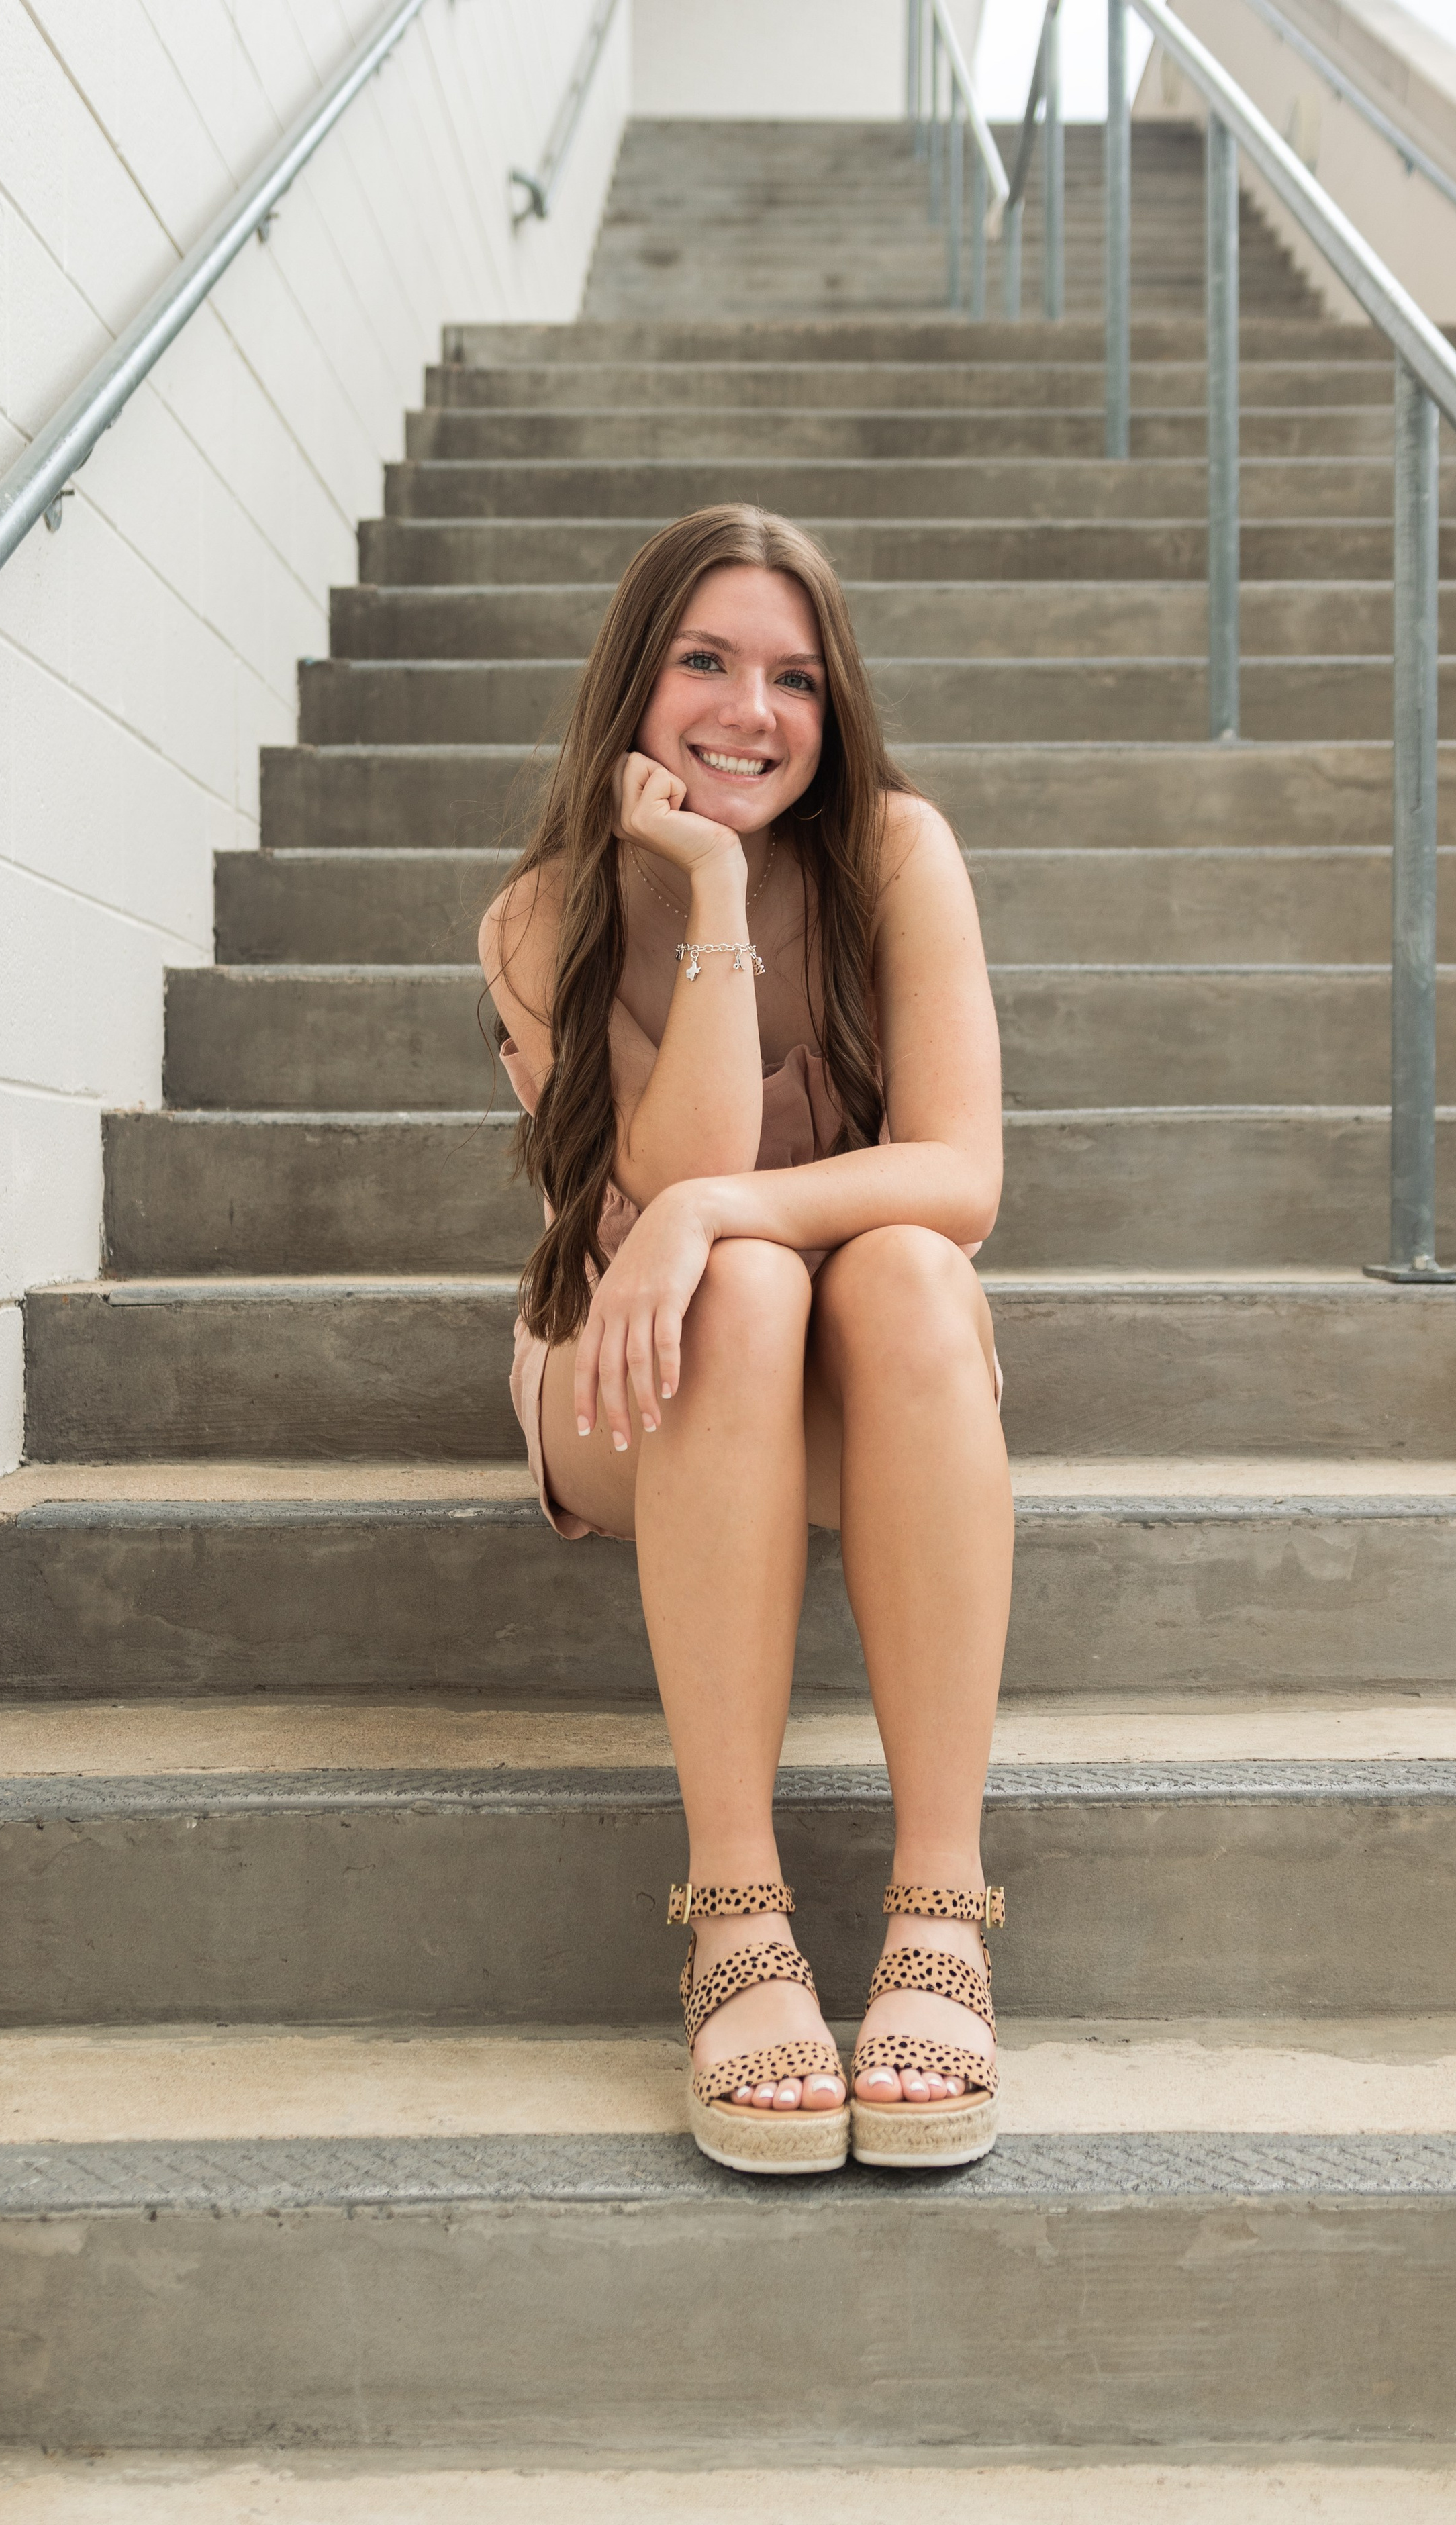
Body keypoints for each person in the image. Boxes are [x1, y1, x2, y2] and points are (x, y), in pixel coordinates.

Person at [479, 504, 1012, 2175]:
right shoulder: (541, 917)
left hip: (860, 1375)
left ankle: (940, 1903)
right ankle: (734, 1909)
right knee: (747, 1283)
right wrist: (703, 878)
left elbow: (960, 1174)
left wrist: (715, 1220)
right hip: (629, 1381)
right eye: (703, 662)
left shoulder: (894, 853)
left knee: (911, 1269)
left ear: (832, 705)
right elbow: (677, 1179)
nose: (748, 712)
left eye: (791, 676)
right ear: (635, 682)